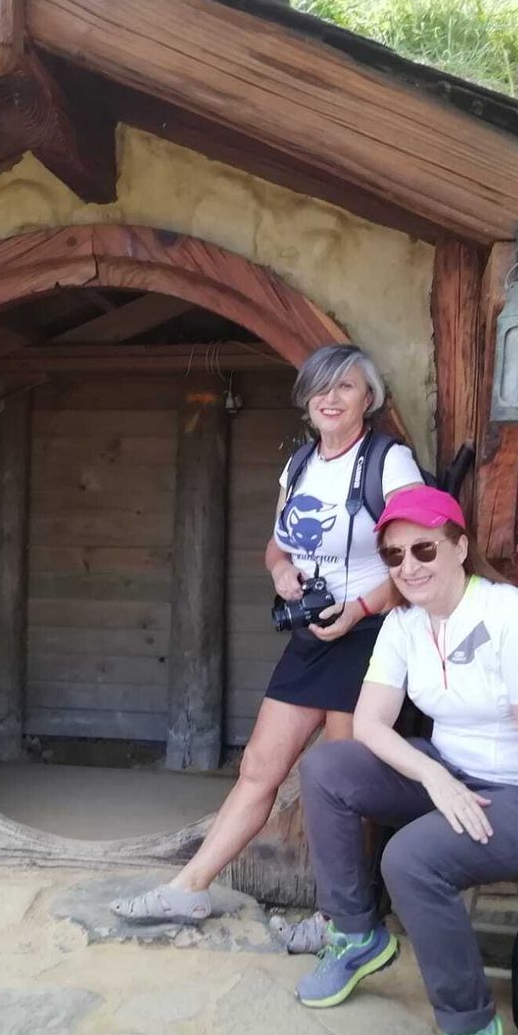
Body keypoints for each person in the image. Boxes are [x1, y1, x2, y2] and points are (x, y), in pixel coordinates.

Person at [110, 345, 423, 924]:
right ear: (305, 399)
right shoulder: (300, 465)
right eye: (319, 388)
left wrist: (358, 609)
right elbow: (278, 544)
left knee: (343, 781)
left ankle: (341, 919)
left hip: (373, 635)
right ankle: (190, 888)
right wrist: (281, 571)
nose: (331, 398)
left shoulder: (389, 463)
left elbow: (415, 560)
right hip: (313, 632)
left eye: (346, 388)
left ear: (368, 399)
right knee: (259, 765)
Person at [290, 483, 518, 1035]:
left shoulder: (510, 615)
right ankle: (356, 933)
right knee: (328, 768)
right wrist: (435, 775)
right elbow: (369, 723)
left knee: (409, 859)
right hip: (449, 773)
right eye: (395, 557)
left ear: (460, 546)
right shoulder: (403, 624)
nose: (410, 567)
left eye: (424, 549)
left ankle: (473, 1032)